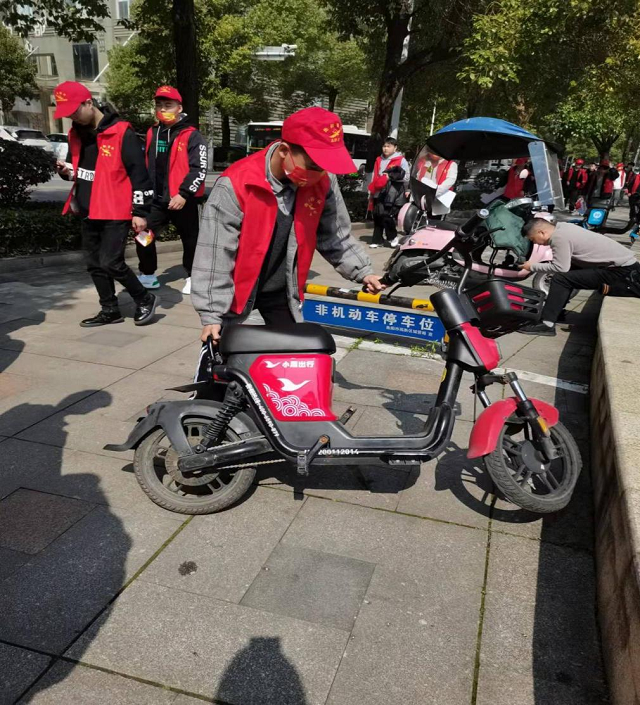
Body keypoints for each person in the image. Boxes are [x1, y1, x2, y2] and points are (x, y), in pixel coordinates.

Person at [191, 106, 385, 348]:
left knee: (292, 355)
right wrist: (212, 313)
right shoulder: (236, 184)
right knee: (223, 357)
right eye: (314, 166)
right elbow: (215, 253)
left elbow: (336, 235)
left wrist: (364, 272)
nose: (320, 174)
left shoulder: (323, 181)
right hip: (236, 292)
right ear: (284, 151)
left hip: (282, 291)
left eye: (324, 167)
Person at [53, 81, 158, 327]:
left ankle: (144, 298)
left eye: (74, 111)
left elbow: (139, 175)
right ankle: (110, 309)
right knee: (94, 264)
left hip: (114, 209)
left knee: (111, 262)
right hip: (88, 208)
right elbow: (78, 169)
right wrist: (66, 172)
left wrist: (140, 212)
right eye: (67, 114)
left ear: (89, 103)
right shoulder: (76, 134)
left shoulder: (122, 132)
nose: (72, 117)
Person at [135, 85, 208, 294]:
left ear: (179, 107)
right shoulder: (152, 132)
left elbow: (199, 168)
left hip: (182, 199)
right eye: (159, 105)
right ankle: (148, 274)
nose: (163, 109)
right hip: (155, 200)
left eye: (168, 105)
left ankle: (193, 276)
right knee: (143, 234)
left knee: (190, 238)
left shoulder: (192, 135)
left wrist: (184, 193)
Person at [517, 218, 640, 336]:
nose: (536, 243)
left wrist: (532, 266)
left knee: (561, 279)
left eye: (533, 239)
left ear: (541, 232)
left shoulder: (559, 237)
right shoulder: (563, 227)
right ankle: (555, 312)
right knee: (568, 273)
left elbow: (560, 267)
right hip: (625, 267)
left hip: (622, 273)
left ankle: (547, 324)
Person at [367, 137, 409, 248]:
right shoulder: (378, 159)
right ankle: (377, 240)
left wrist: (390, 177)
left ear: (395, 148)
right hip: (378, 190)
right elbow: (375, 175)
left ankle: (392, 236)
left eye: (388, 146)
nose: (385, 148)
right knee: (377, 215)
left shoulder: (401, 160)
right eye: (384, 146)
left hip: (392, 193)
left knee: (386, 215)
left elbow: (406, 177)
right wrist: (372, 190)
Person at [415, 150, 458, 219]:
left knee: (434, 222)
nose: (434, 154)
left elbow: (450, 181)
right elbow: (418, 178)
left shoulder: (450, 164)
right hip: (423, 201)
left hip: (438, 201)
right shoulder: (425, 163)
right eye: (432, 152)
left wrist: (435, 192)